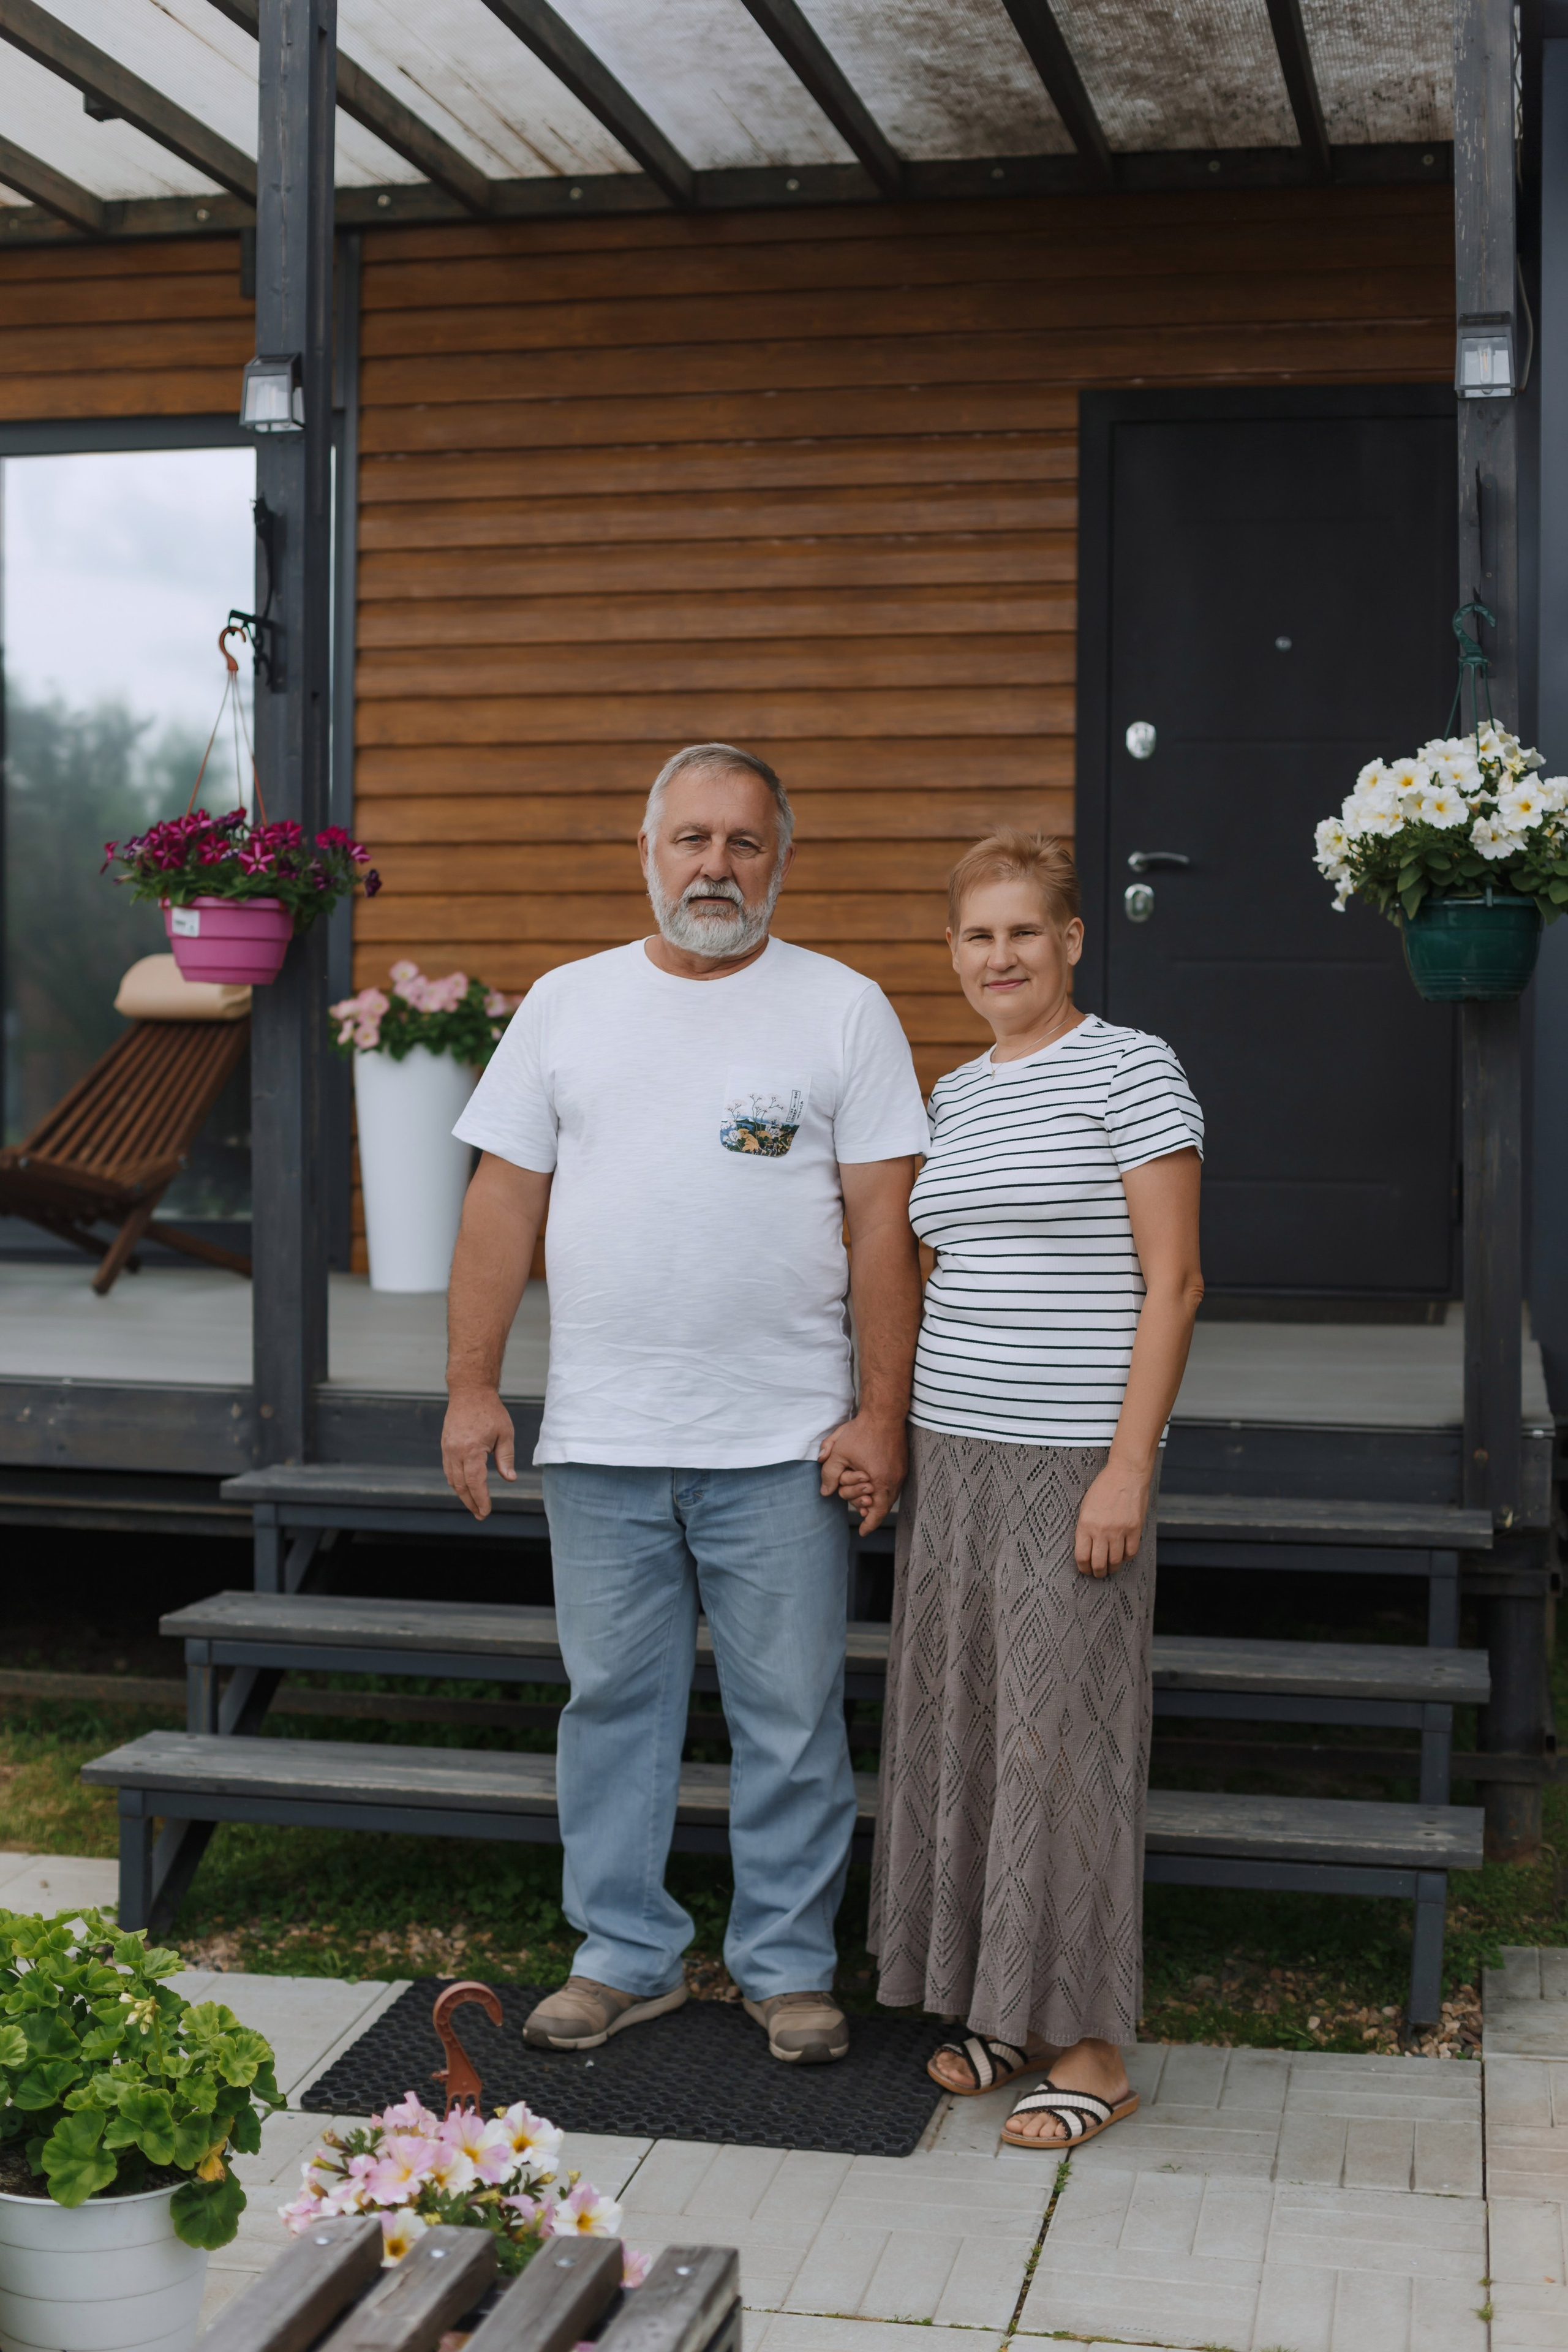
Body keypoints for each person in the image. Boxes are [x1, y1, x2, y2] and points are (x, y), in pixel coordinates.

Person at [440, 742, 929, 2065]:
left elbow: (884, 1228)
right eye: (691, 839)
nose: (716, 865)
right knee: (610, 1708)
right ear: (647, 853)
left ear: (781, 860)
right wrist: (473, 1387)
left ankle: (787, 1967)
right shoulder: (565, 1004)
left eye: (743, 842)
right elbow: (500, 1206)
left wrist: (879, 1413)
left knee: (792, 1720)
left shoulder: (843, 1008)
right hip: (601, 1437)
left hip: (783, 1440)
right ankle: (623, 1955)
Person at [852, 829, 1204, 2150]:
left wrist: (1127, 1468)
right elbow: (936, 1271)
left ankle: (1094, 2049)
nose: (999, 957)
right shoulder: (952, 1095)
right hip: (955, 1455)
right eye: (976, 936)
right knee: (968, 1729)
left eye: (1022, 932)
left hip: (1071, 1464)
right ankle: (1002, 2009)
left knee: (1064, 1744)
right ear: (953, 953)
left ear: (1069, 940)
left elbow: (1174, 1284)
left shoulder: (1131, 1070)